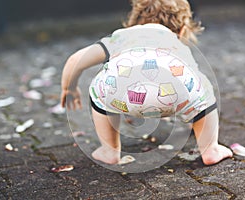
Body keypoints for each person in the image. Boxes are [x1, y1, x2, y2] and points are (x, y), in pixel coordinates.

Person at [60, 0, 232, 166]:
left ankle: (109, 150)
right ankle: (210, 149)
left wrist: (70, 88)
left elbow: (76, 59)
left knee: (99, 91)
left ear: (133, 22)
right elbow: (192, 77)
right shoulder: (175, 39)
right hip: (174, 95)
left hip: (120, 95)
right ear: (183, 29)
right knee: (204, 91)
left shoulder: (121, 37)